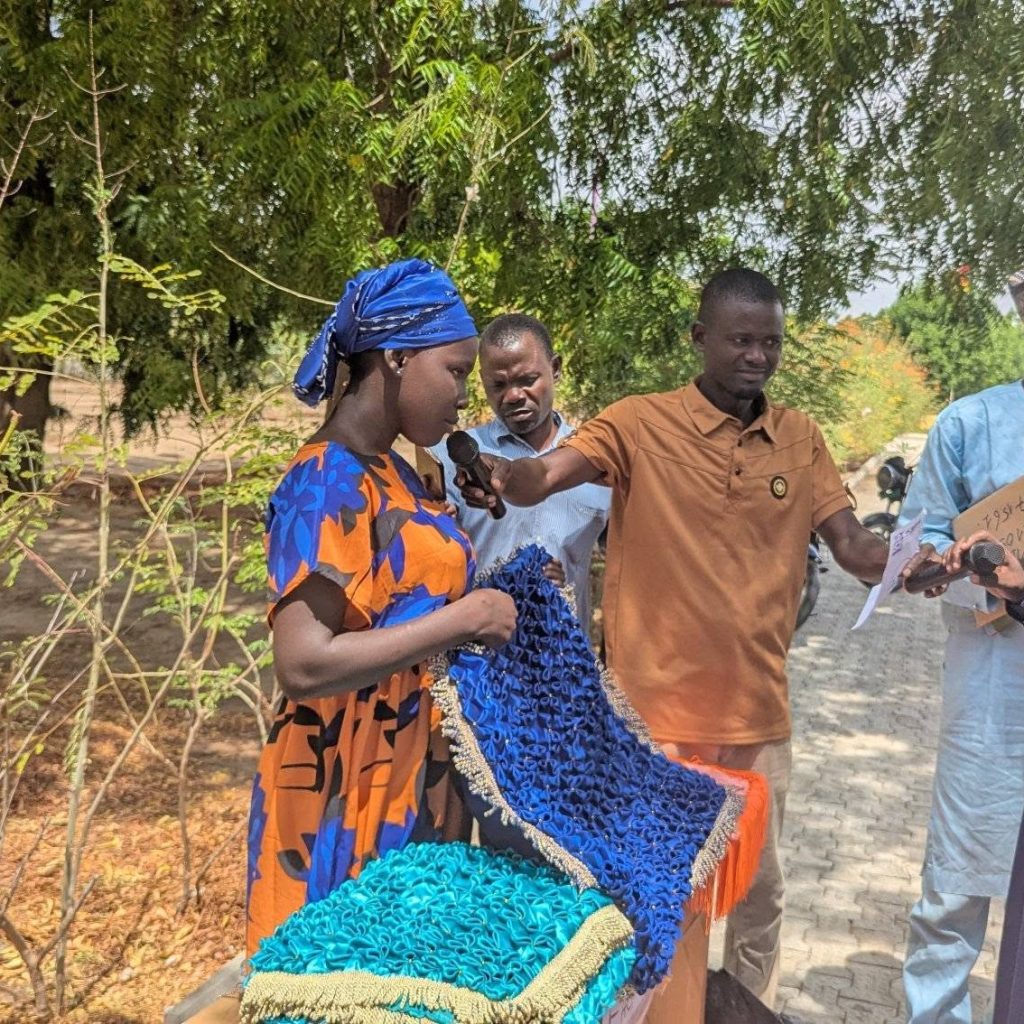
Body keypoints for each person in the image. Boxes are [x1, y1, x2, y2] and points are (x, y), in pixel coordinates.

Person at [456, 267, 889, 1021]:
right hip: (653, 726)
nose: (757, 356)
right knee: (656, 896)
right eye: (741, 340)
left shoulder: (800, 438)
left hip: (757, 719)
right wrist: (500, 473)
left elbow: (855, 548)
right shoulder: (638, 424)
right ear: (700, 338)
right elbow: (544, 474)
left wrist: (917, 562)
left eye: (771, 342)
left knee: (757, 897)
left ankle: (750, 1013)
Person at [245, 258, 517, 955]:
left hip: (415, 769)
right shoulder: (325, 482)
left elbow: (401, 591)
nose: (465, 396)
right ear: (396, 358)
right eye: (455, 372)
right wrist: (462, 621)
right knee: (349, 973)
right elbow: (303, 665)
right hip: (346, 785)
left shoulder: (395, 469)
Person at [896, 378, 1024, 1024]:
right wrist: (957, 570)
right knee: (953, 897)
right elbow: (913, 546)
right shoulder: (972, 425)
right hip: (993, 692)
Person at [429, 313, 610, 627]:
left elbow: (625, 566)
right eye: (498, 385)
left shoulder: (595, 463)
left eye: (527, 380)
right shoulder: (453, 460)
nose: (513, 396)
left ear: (555, 369)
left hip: (566, 652)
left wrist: (566, 582)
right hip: (479, 650)